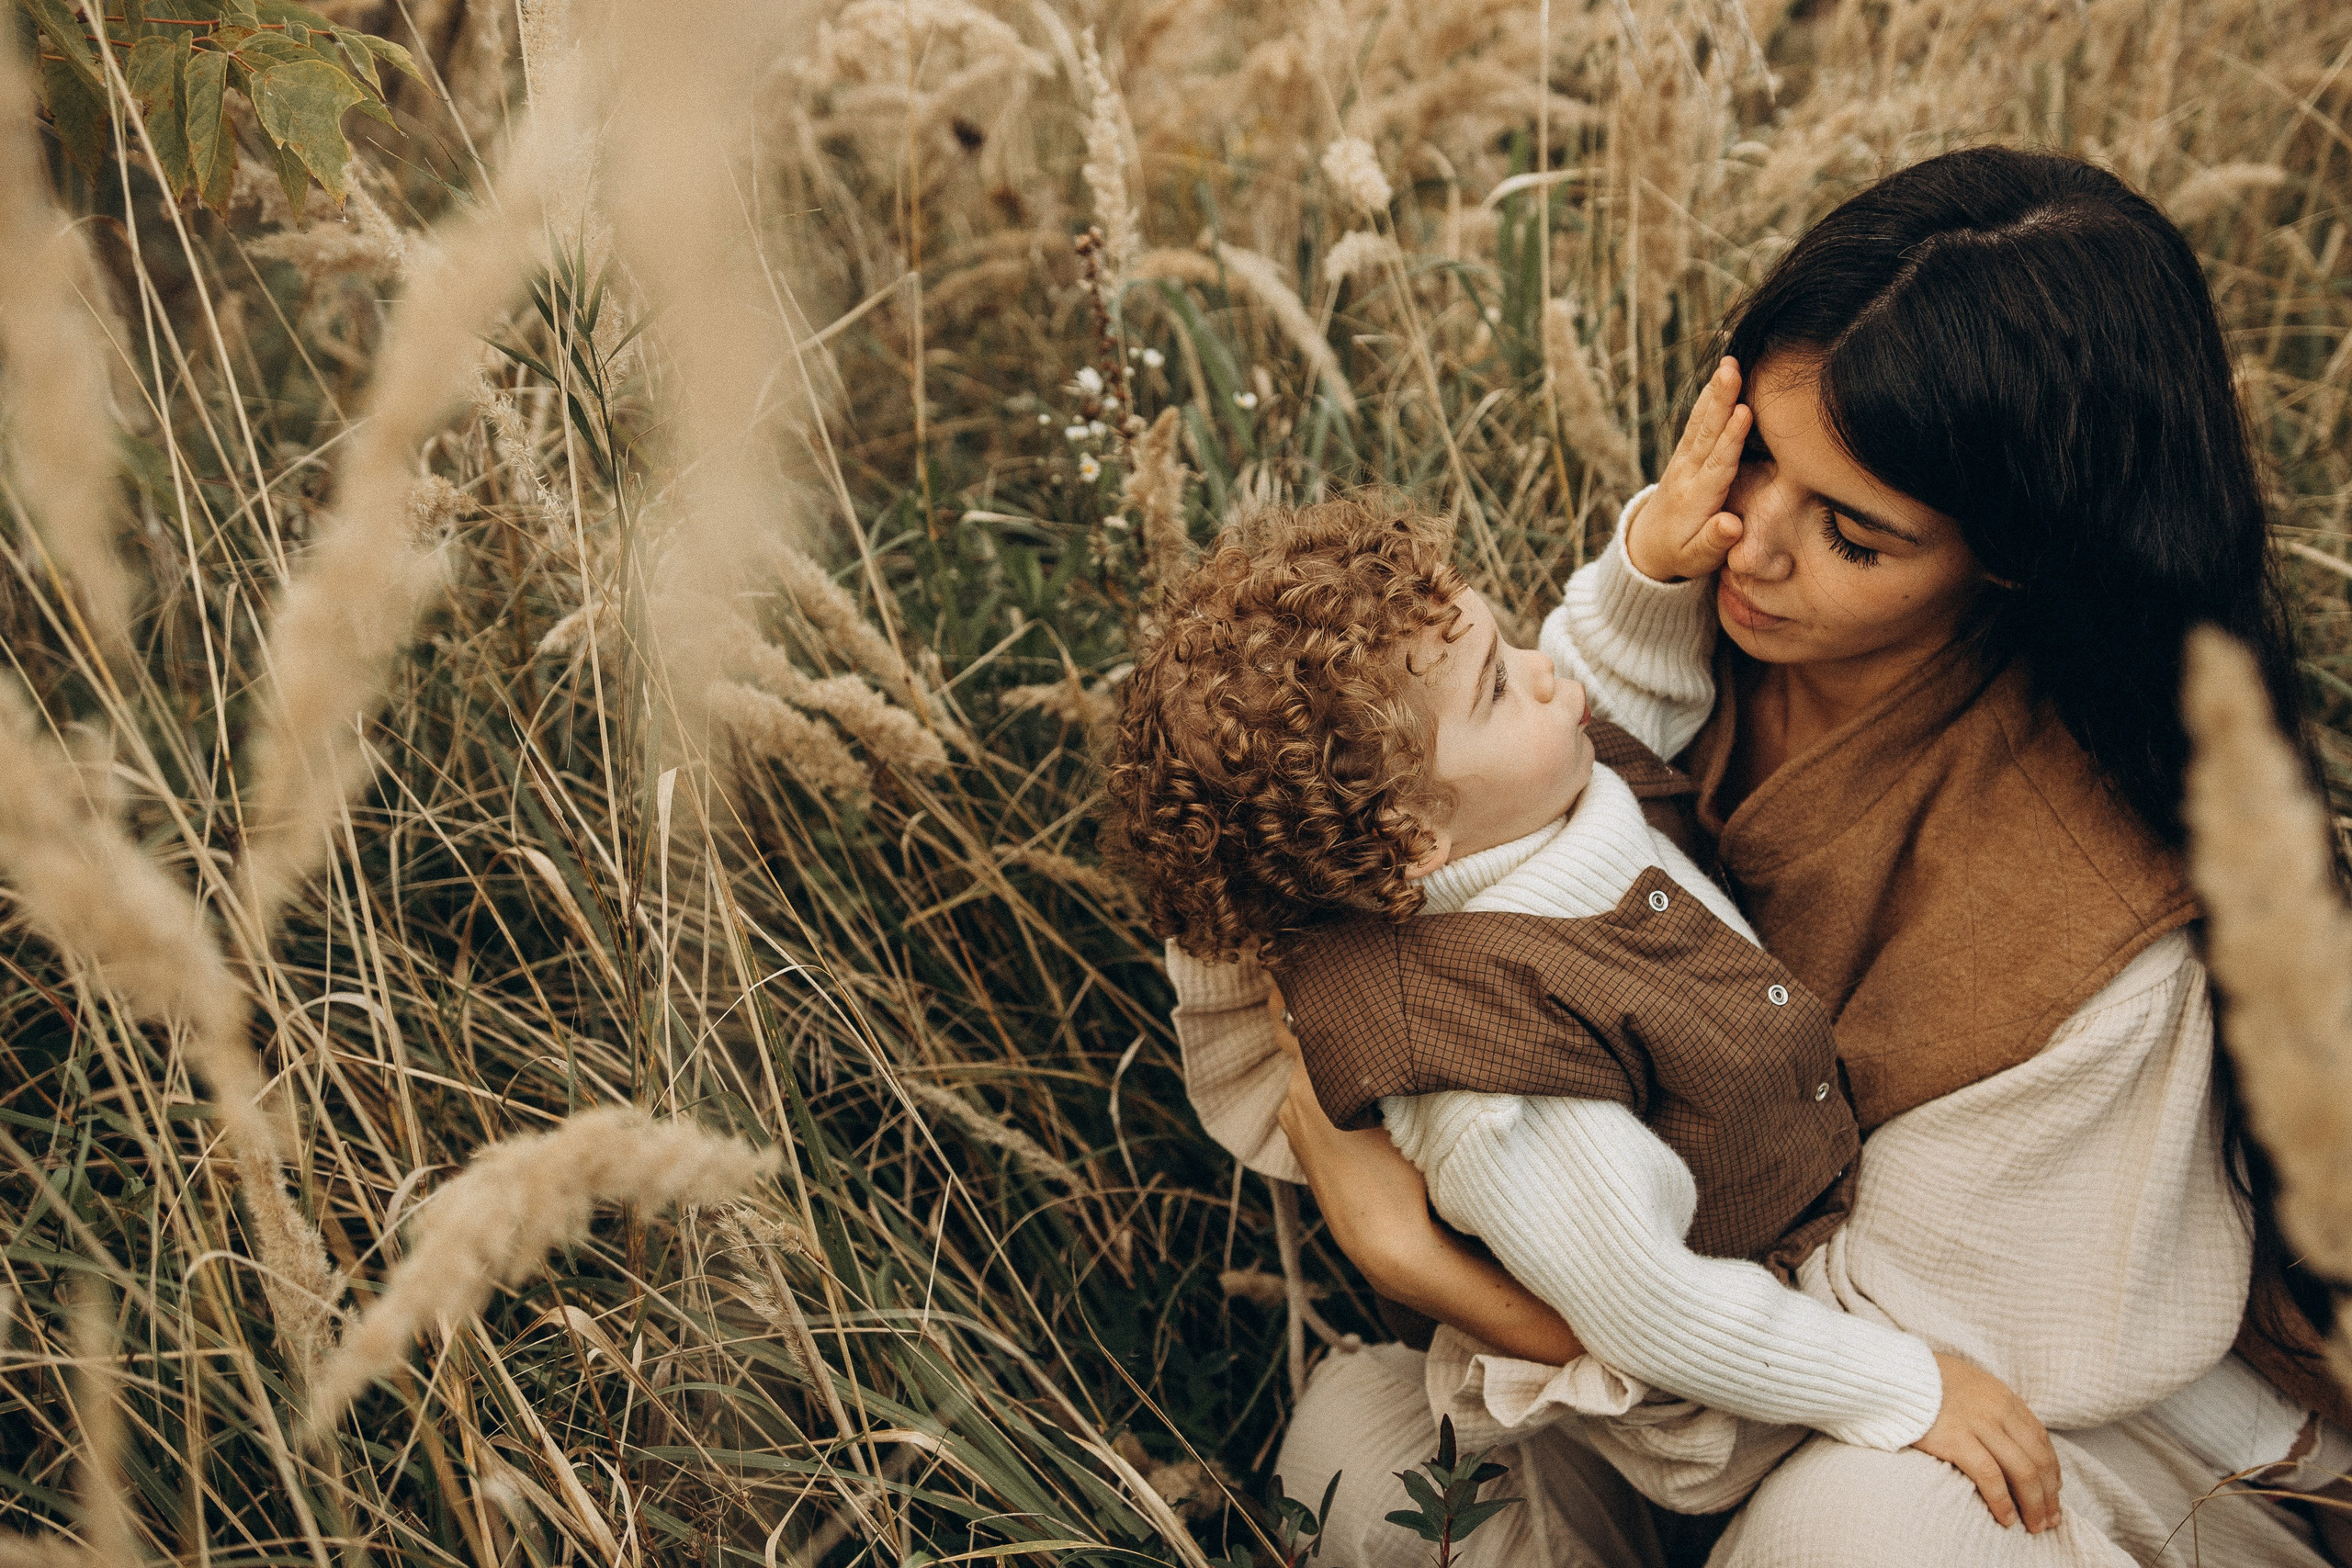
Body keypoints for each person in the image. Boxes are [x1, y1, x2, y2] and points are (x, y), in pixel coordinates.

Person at [1256, 145, 2352, 1565]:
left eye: (1850, 531)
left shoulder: (2101, 926)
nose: (1750, 546)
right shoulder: (1682, 629)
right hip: (1704, 1350)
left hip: (2019, 1442)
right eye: (1758, 453)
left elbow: (1867, 1380)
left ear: (2018, 557)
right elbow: (1501, 860)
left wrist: (1417, 1259)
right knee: (1360, 1457)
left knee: (1858, 1534)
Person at [1103, 481, 2065, 1534]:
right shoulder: (1485, 1074)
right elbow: (1651, 1307)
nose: (1544, 671)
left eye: (1505, 645)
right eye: (1496, 690)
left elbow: (1623, 704)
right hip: (1740, 1379)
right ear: (1411, 837)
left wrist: (1647, 569)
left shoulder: (1521, 805)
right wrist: (1907, 1388)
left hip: (1790, 1247)